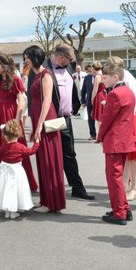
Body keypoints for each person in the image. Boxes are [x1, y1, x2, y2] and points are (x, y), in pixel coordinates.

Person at [39, 45, 95, 200]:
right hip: (51, 118)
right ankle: (51, 191)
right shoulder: (43, 68)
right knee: (51, 156)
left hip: (65, 118)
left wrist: (75, 107)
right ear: (62, 57)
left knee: (69, 154)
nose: (72, 63)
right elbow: (35, 96)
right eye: (70, 59)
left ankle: (77, 188)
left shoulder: (68, 67)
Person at [23, 45, 66, 213]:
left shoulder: (46, 75)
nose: (25, 60)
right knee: (42, 160)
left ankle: (52, 202)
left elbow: (47, 101)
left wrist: (39, 125)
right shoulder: (36, 75)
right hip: (38, 118)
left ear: (34, 57)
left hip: (46, 119)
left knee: (49, 161)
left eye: (27, 57)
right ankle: (45, 200)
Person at [0, 53, 38, 192]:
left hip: (11, 113)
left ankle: (26, 182)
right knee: (2, 147)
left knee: (18, 147)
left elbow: (21, 101)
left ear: (5, 66)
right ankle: (4, 182)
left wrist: (17, 119)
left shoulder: (15, 79)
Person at [96, 62, 136, 225]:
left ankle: (119, 212)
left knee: (114, 178)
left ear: (115, 77)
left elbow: (106, 119)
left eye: (105, 77)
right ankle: (123, 209)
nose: (103, 80)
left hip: (115, 140)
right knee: (118, 177)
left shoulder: (115, 94)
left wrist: (99, 136)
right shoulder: (128, 91)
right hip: (125, 139)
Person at [105, 56, 136, 202]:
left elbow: (128, 102)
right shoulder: (126, 77)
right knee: (129, 156)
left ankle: (134, 187)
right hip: (132, 116)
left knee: (133, 156)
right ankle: (127, 185)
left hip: (132, 117)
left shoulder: (126, 79)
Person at [0, 120, 39, 219]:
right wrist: (37, 142)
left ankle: (7, 211)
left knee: (5, 190)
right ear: (18, 134)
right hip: (16, 171)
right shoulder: (20, 147)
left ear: (5, 136)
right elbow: (32, 151)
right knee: (15, 190)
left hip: (3, 170)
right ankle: (13, 211)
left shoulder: (3, 146)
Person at [80, 64, 97, 140]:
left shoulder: (101, 77)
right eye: (92, 69)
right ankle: (93, 135)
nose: (93, 70)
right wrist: (83, 101)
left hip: (99, 102)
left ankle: (103, 135)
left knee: (101, 120)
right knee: (90, 119)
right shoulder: (87, 78)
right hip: (89, 102)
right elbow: (83, 90)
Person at [91, 61, 106, 127]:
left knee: (99, 117)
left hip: (99, 96)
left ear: (94, 68)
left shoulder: (97, 76)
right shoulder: (103, 75)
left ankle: (100, 135)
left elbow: (95, 89)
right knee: (102, 116)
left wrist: (92, 99)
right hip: (104, 95)